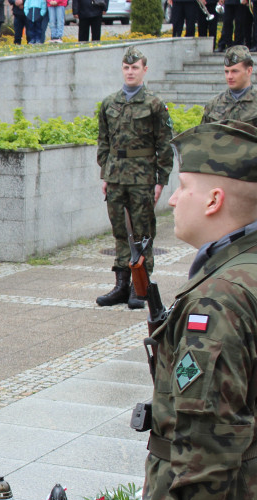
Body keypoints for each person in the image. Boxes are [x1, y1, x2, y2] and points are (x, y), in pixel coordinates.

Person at [141, 121, 257, 500]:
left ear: (215, 199)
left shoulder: (221, 299)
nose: (171, 197)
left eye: (182, 185)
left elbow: (212, 431)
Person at [95, 47, 174, 308]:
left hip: (142, 178)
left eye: (135, 67)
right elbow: (103, 142)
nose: (130, 72)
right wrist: (105, 173)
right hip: (116, 177)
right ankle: (121, 285)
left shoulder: (154, 104)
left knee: (142, 232)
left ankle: (140, 287)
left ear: (144, 70)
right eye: (126, 67)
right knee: (120, 232)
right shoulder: (109, 103)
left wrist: (161, 180)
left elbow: (165, 144)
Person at [202, 46, 257, 127]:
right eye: (226, 72)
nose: (229, 76)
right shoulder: (214, 104)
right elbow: (203, 135)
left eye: (235, 71)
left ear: (249, 71)